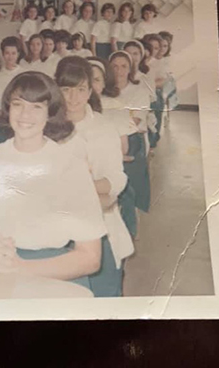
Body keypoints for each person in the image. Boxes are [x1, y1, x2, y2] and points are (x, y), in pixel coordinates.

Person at [0, 71, 106, 288]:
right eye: (18, 104)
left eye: (36, 107)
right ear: (8, 108)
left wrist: (21, 269)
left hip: (53, 271)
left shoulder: (71, 167)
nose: (25, 115)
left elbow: (90, 257)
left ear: (50, 114)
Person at [55, 57, 133, 296]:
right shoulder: (47, 127)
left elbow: (117, 180)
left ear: (90, 91)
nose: (73, 98)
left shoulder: (103, 127)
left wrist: (83, 182)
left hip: (99, 221)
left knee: (104, 299)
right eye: (66, 89)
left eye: (80, 90)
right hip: (55, 222)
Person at [109, 51, 151, 215]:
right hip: (108, 141)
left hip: (133, 141)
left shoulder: (139, 91)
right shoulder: (104, 91)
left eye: (123, 66)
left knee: (131, 187)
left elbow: (134, 122)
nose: (119, 71)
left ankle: (133, 221)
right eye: (114, 66)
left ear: (130, 69)